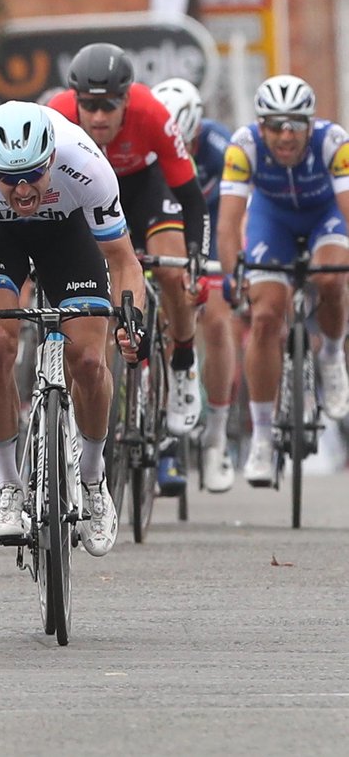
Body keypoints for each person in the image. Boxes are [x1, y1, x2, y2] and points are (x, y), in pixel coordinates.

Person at [0, 101, 145, 558]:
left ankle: (93, 480)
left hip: (67, 235)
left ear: (52, 158)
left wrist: (132, 316)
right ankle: (9, 485)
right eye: (9, 178)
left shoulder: (86, 163)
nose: (23, 188)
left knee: (89, 360)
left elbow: (124, 260)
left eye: (33, 173)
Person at [48, 43, 209, 439]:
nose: (99, 117)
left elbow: (190, 196)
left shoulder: (152, 112)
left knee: (170, 271)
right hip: (84, 193)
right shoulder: (56, 115)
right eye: (90, 105)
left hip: (142, 189)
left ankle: (183, 362)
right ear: (75, 100)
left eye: (109, 107)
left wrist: (195, 256)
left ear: (126, 99)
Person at [216, 75, 349, 486]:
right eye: (275, 125)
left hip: (324, 215)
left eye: (295, 124)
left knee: (331, 280)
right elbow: (228, 222)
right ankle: (262, 439)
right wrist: (230, 274)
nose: (285, 135)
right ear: (261, 126)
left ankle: (330, 354)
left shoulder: (334, 142)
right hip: (271, 220)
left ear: (311, 124)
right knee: (265, 317)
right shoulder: (243, 146)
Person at [151, 78, 237, 492]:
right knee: (163, 315)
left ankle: (216, 440)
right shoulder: (149, 142)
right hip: (162, 224)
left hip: (212, 226)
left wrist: (232, 265)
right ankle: (156, 427)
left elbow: (240, 209)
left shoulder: (221, 145)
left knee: (218, 319)